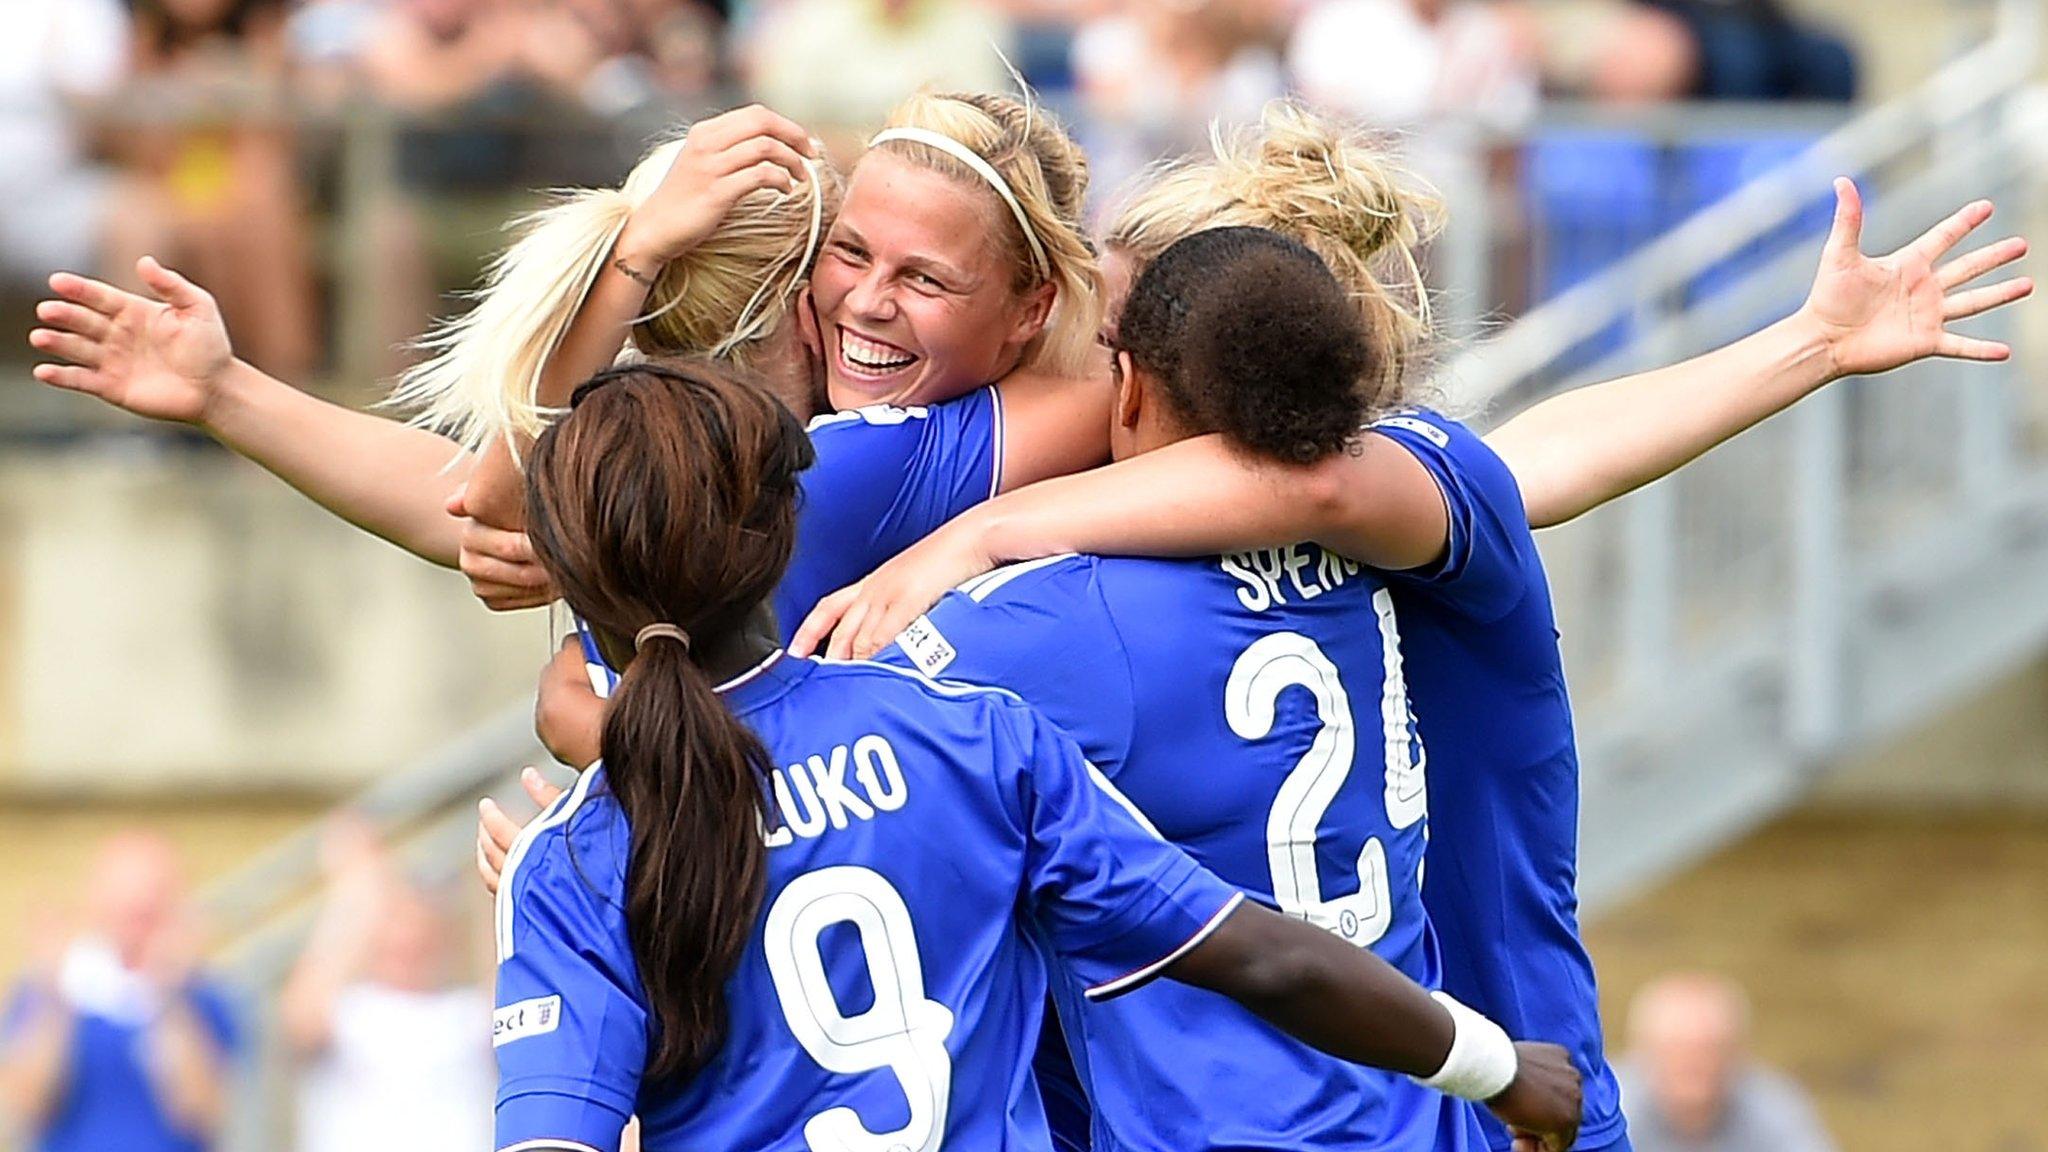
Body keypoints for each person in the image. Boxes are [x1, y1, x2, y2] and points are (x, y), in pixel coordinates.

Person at [786, 103, 2031, 1152]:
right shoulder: (1426, 494)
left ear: (1149, 373)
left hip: (1375, 1099)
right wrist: (1805, 344)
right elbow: (1524, 457)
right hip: (1500, 1090)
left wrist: (977, 534)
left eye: (1107, 343)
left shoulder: (1074, 605)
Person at [491, 356, 1583, 1151]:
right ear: (787, 533)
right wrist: (1496, 1067)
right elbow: (1266, 956)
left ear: (575, 591)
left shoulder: (573, 859)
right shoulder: (965, 736)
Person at [0, 834, 241, 1152]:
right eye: (126, 894)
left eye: (152, 895)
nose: (139, 908)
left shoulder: (202, 996)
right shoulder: (50, 988)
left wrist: (168, 994)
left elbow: (203, 1111)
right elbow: (24, 1105)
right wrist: (54, 999)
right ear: (97, 897)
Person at [281, 817, 493, 1152]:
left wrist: (499, 887)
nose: (408, 941)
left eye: (421, 929)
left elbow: (509, 988)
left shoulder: (468, 1014)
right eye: (396, 926)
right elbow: (300, 1020)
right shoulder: (345, 1011)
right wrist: (356, 891)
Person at [1616, 975, 1836, 1152]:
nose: (1694, 1064)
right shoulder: (1607, 1109)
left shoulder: (1774, 1105)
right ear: (1641, 1052)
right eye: (1678, 1049)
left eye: (1710, 1049)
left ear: (1738, 1053)